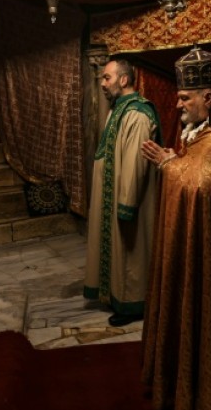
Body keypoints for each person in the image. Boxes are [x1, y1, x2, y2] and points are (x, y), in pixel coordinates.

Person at [139, 48, 211, 410]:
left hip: (210, 249)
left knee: (203, 306)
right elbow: (192, 170)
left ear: (208, 97)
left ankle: (209, 382)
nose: (178, 105)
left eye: (185, 98)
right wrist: (177, 161)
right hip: (187, 241)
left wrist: (170, 166)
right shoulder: (197, 133)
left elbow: (201, 187)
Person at [84, 59, 162, 327]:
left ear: (124, 80)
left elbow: (134, 163)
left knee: (132, 253)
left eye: (106, 78)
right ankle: (116, 294)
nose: (102, 83)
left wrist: (126, 204)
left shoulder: (137, 114)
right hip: (114, 195)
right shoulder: (118, 110)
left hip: (130, 200)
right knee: (119, 253)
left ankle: (133, 304)